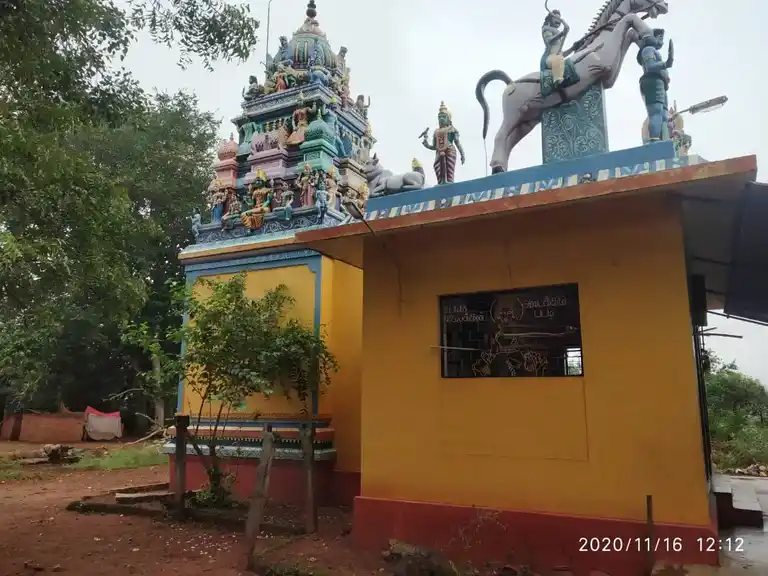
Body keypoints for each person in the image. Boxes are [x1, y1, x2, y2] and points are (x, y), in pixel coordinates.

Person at [637, 28, 674, 141]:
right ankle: (654, 141)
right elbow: (650, 66)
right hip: (652, 82)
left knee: (664, 115)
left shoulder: (653, 51)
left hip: (660, 84)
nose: (661, 41)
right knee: (656, 112)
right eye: (660, 38)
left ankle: (663, 139)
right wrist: (666, 64)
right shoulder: (648, 50)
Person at [540, 9, 570, 88]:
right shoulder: (546, 29)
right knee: (558, 59)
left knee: (568, 62)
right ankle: (558, 81)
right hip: (549, 58)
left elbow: (561, 53)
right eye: (556, 18)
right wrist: (561, 34)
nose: (558, 21)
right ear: (550, 19)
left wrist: (573, 48)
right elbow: (549, 40)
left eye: (559, 19)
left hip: (557, 57)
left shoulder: (557, 32)